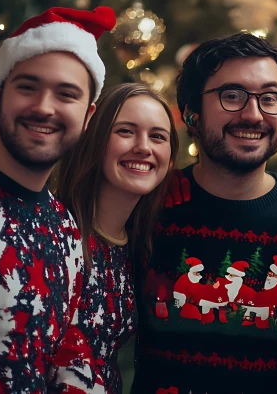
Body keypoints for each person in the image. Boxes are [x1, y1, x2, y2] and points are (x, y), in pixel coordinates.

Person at [0, 6, 115, 392]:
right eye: (28, 87)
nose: (44, 107)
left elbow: (66, 354)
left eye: (66, 94)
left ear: (88, 116)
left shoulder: (66, 229)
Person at [133, 32, 277, 393]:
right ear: (190, 112)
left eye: (271, 98)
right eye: (232, 96)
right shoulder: (145, 206)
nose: (253, 114)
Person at [54, 83, 179, 393]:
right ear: (94, 139)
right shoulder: (53, 231)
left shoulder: (143, 244)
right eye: (126, 131)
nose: (143, 147)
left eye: (158, 137)